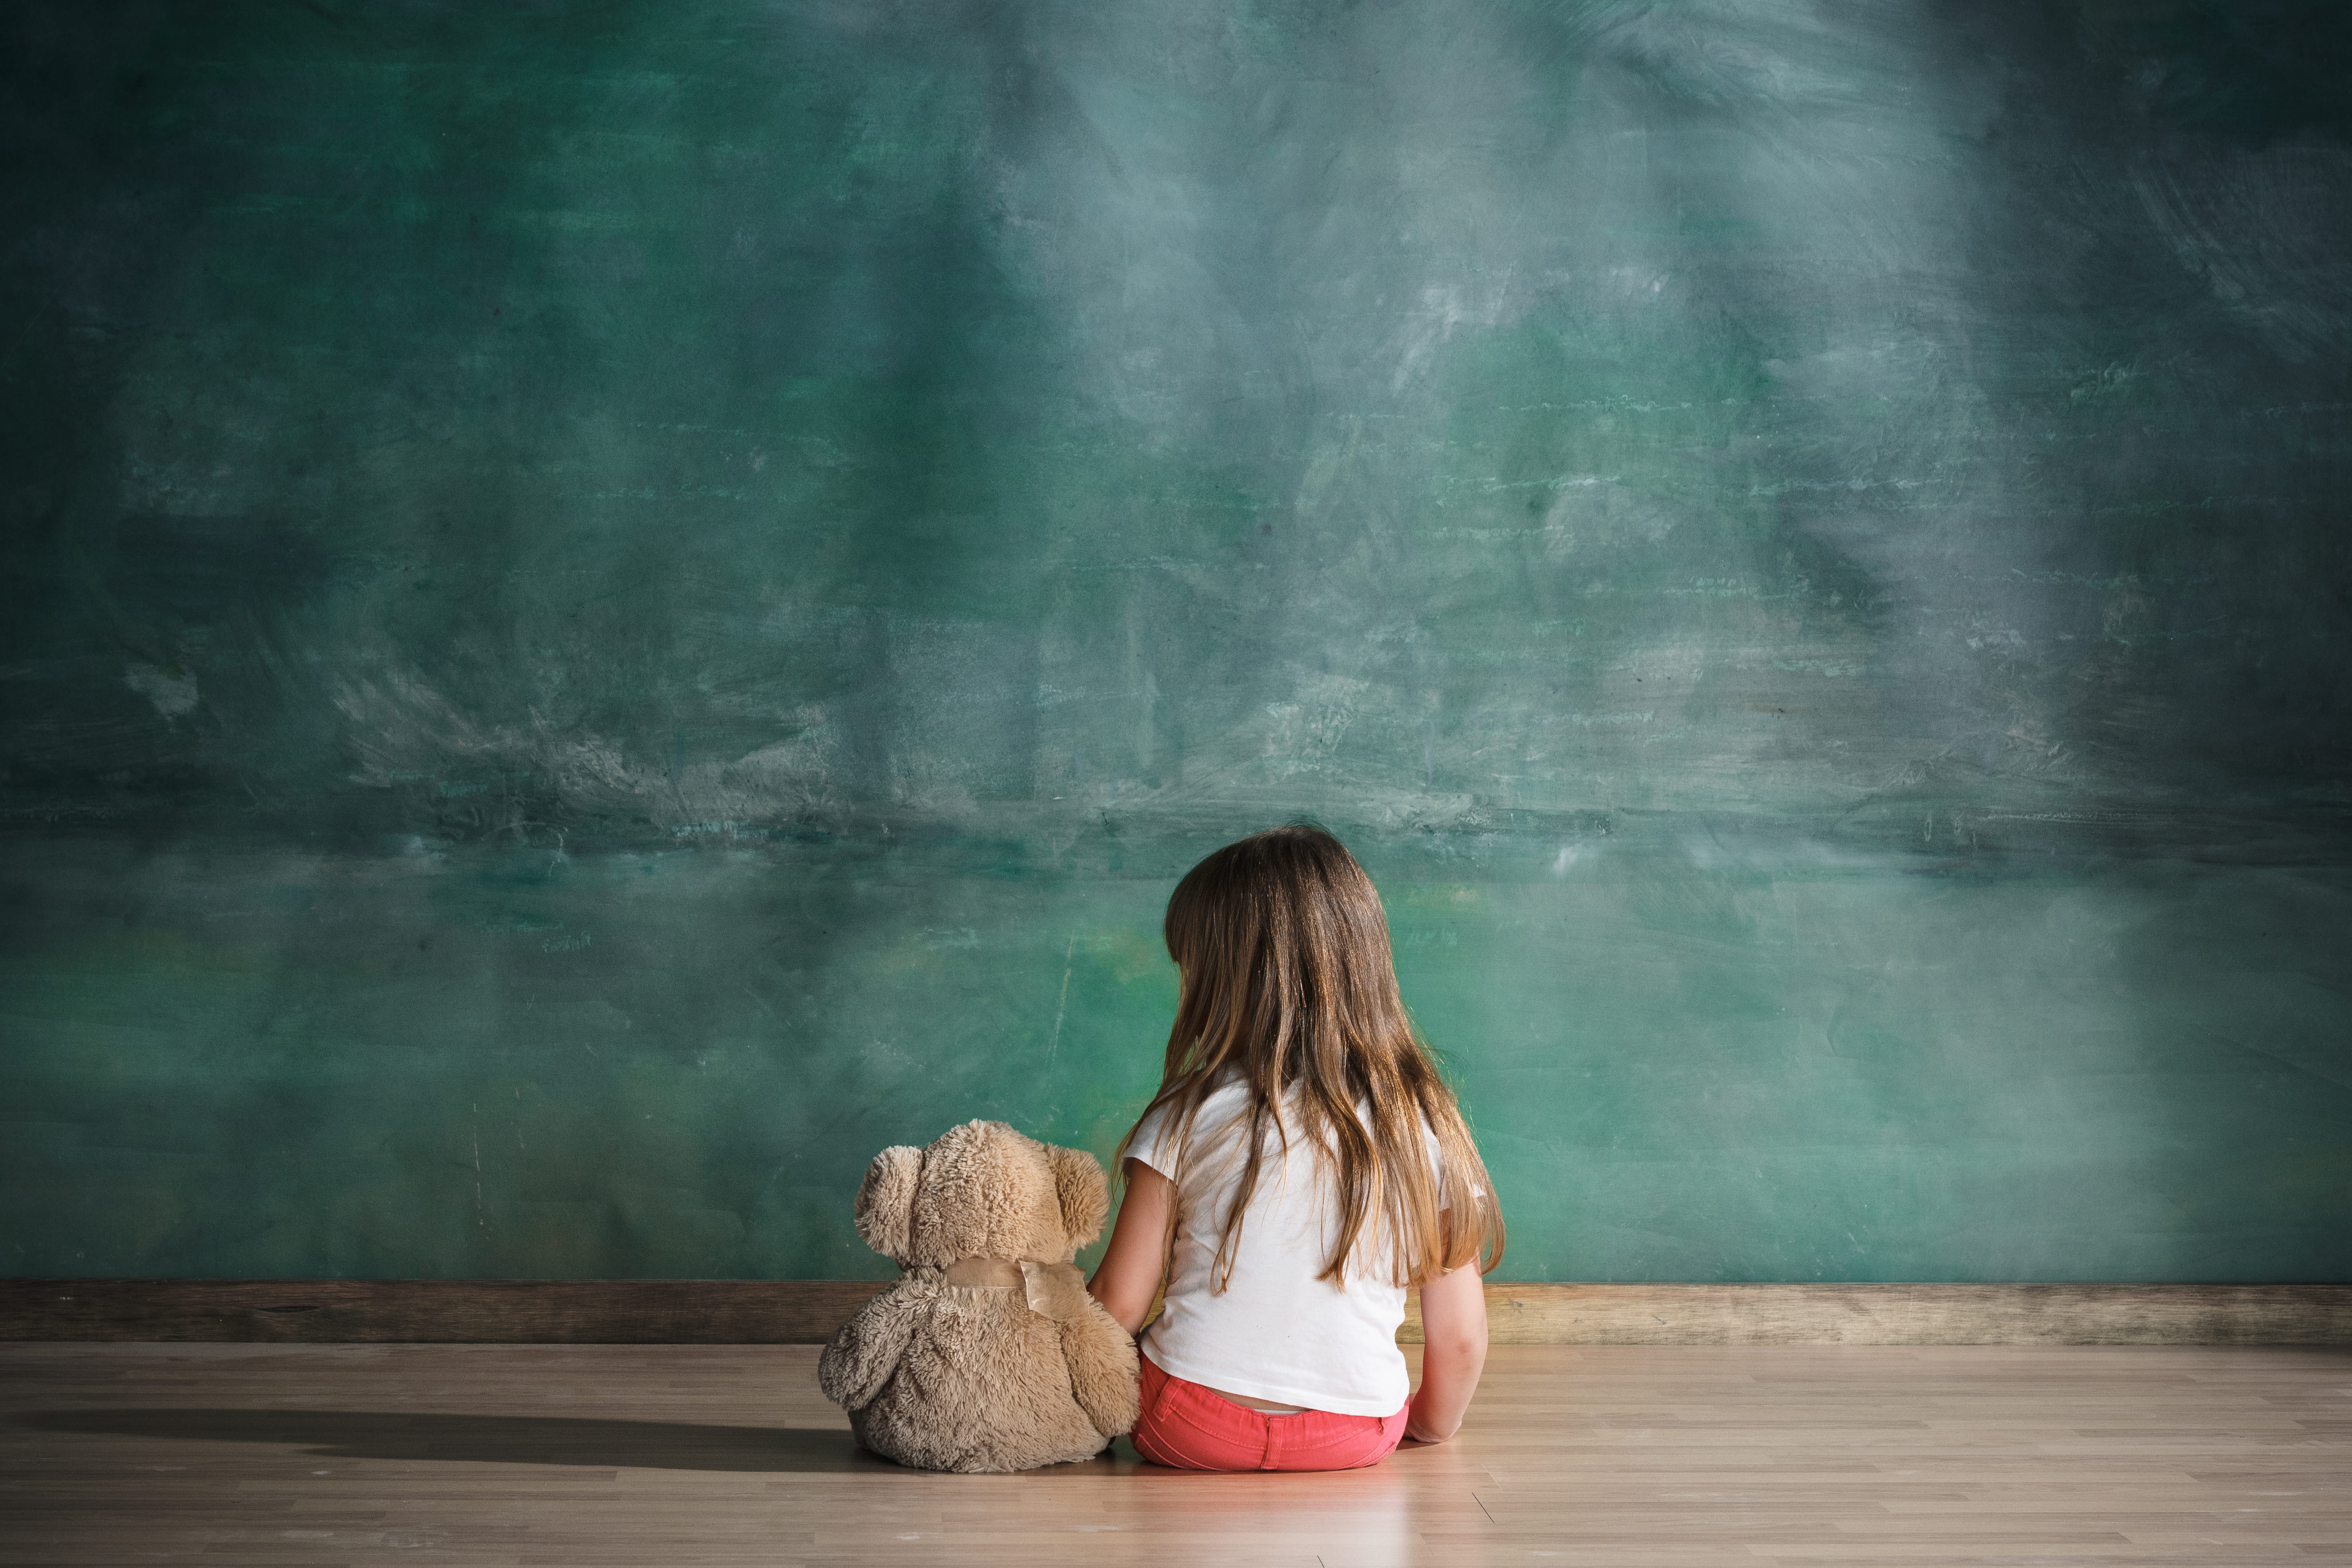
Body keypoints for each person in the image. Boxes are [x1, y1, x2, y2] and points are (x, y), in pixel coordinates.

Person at [1086, 822, 1504, 1472]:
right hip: (1356, 1432)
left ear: (1227, 982)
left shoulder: (1185, 1111)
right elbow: (1460, 1338)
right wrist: (1423, 1423)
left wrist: (1072, 1412)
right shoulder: (1422, 1119)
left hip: (1185, 1425)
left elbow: (1118, 1299)